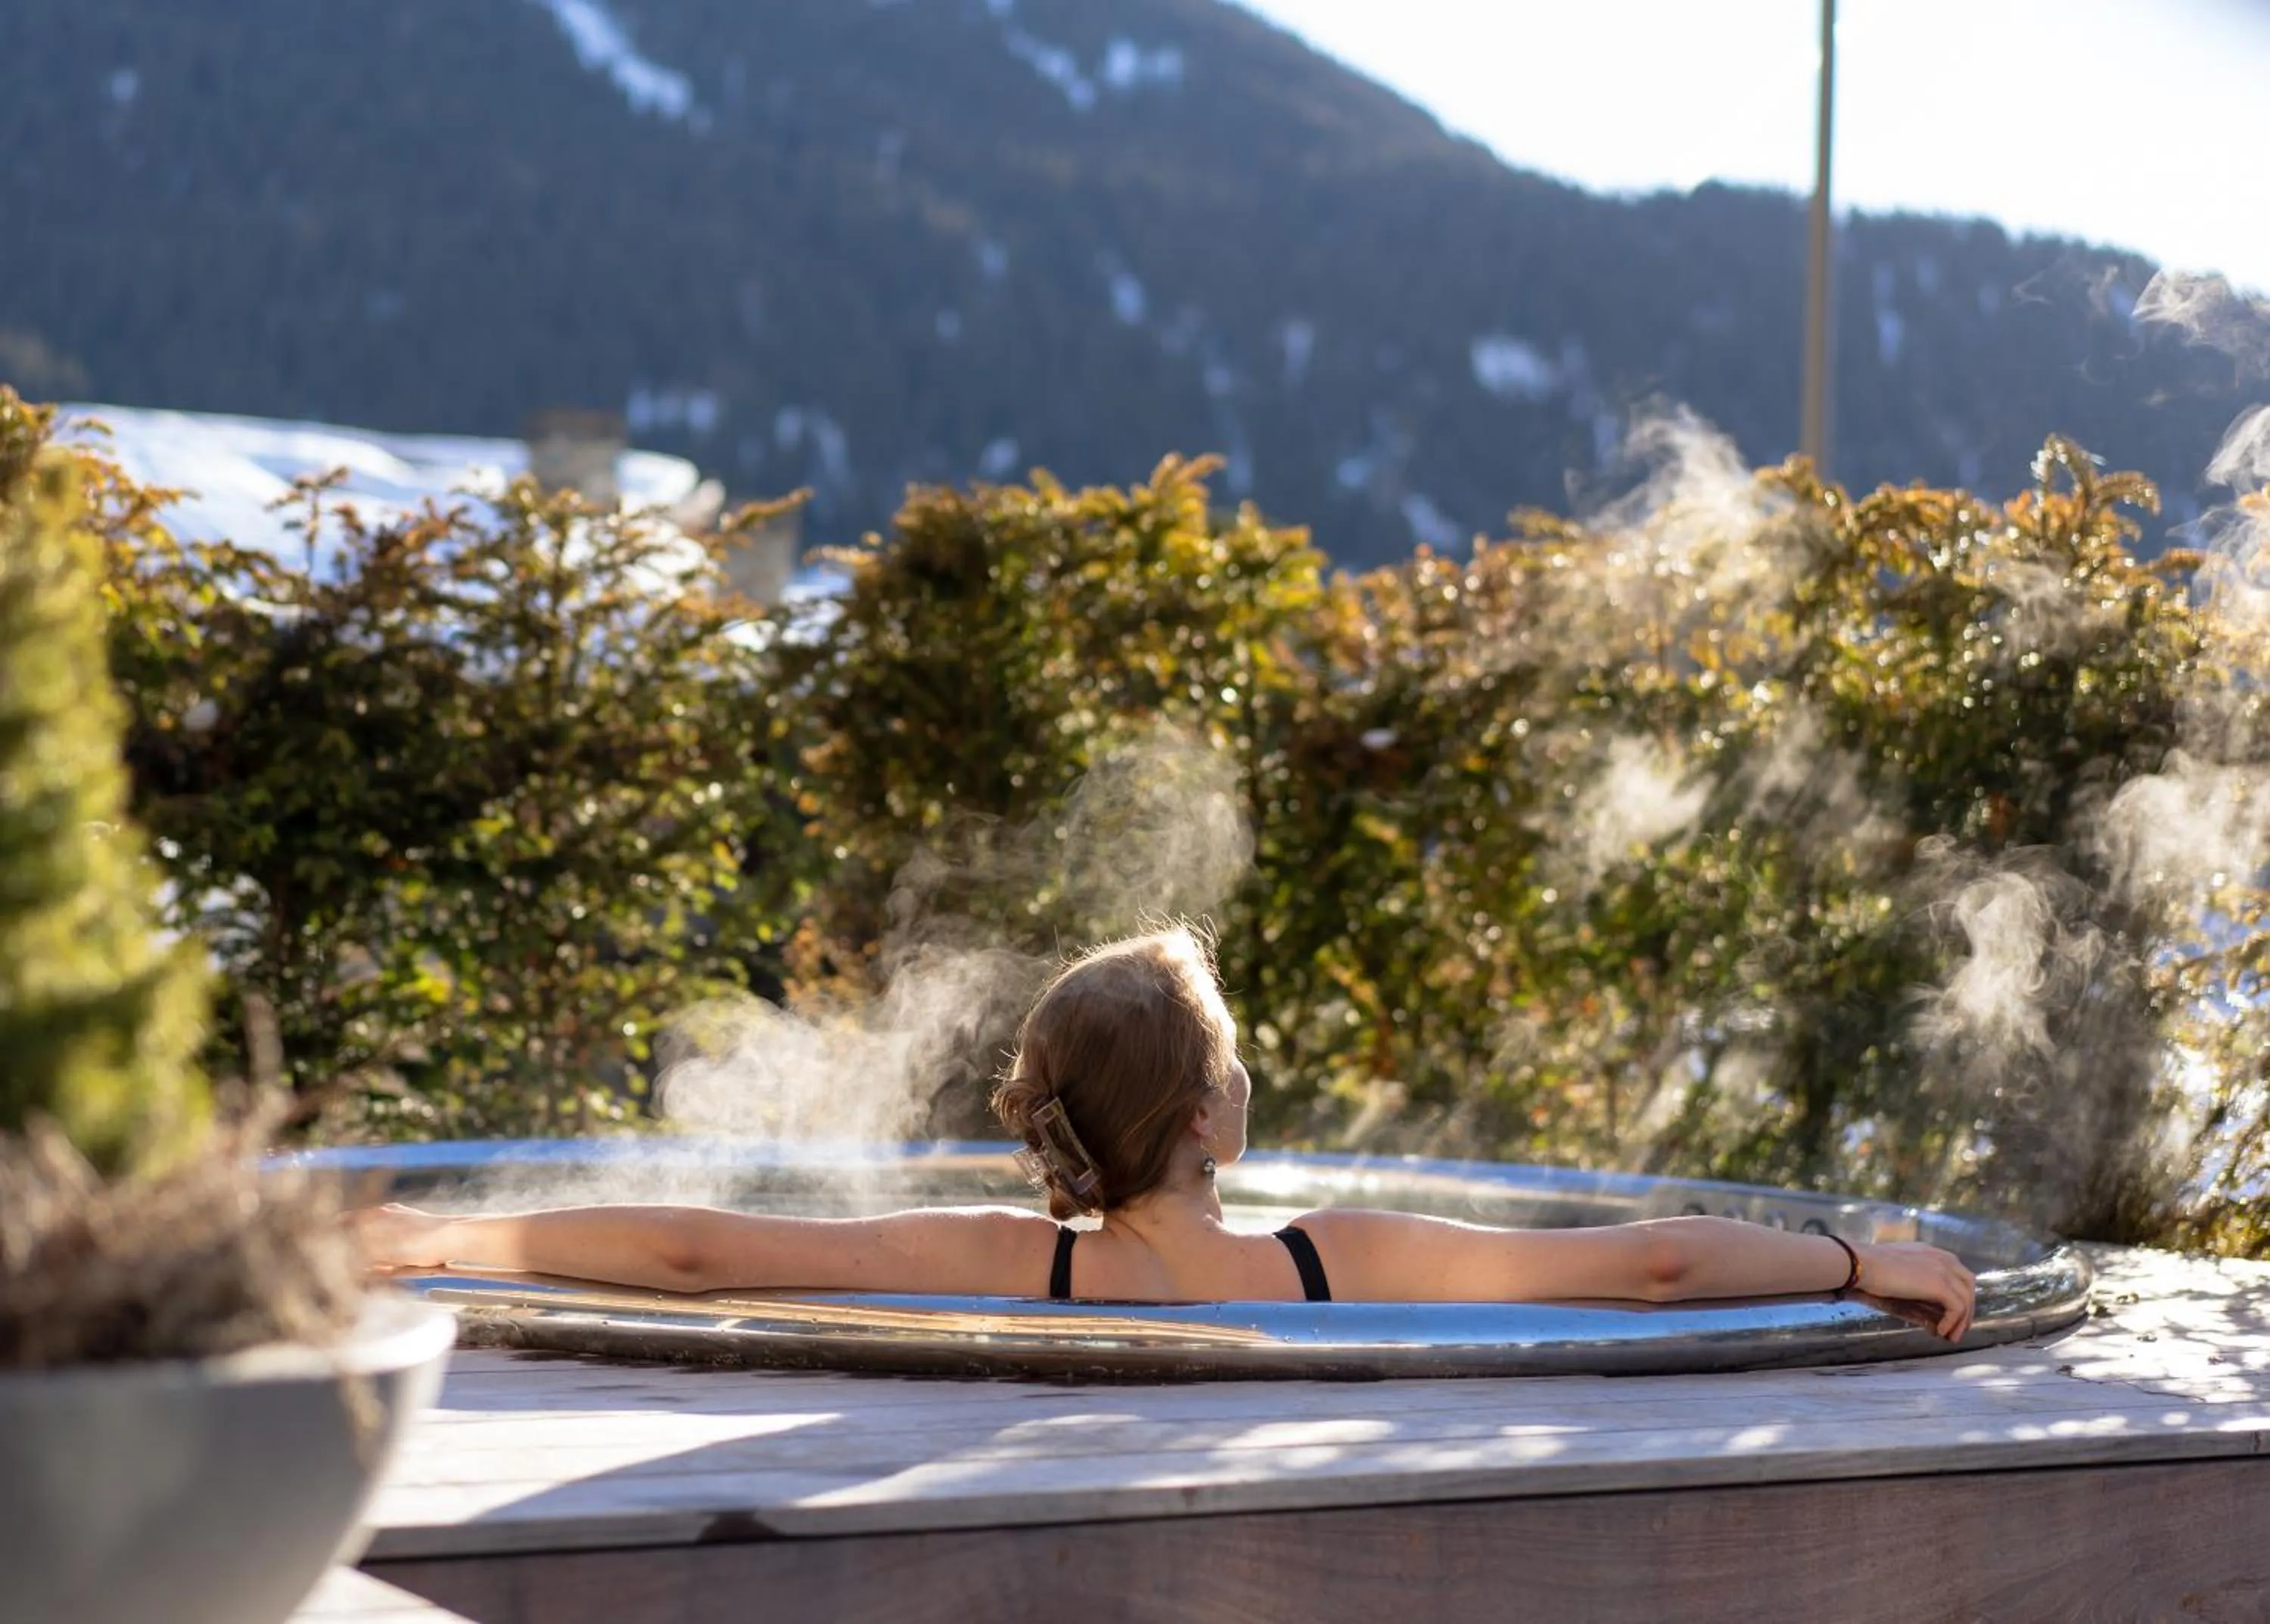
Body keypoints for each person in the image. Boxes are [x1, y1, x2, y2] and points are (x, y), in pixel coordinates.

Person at [358, 927, 1979, 1338]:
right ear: (1209, 1113)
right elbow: (1653, 1265)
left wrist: (439, 1236)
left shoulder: (1007, 1262)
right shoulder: (1334, 1262)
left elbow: (692, 1249)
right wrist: (1857, 1259)